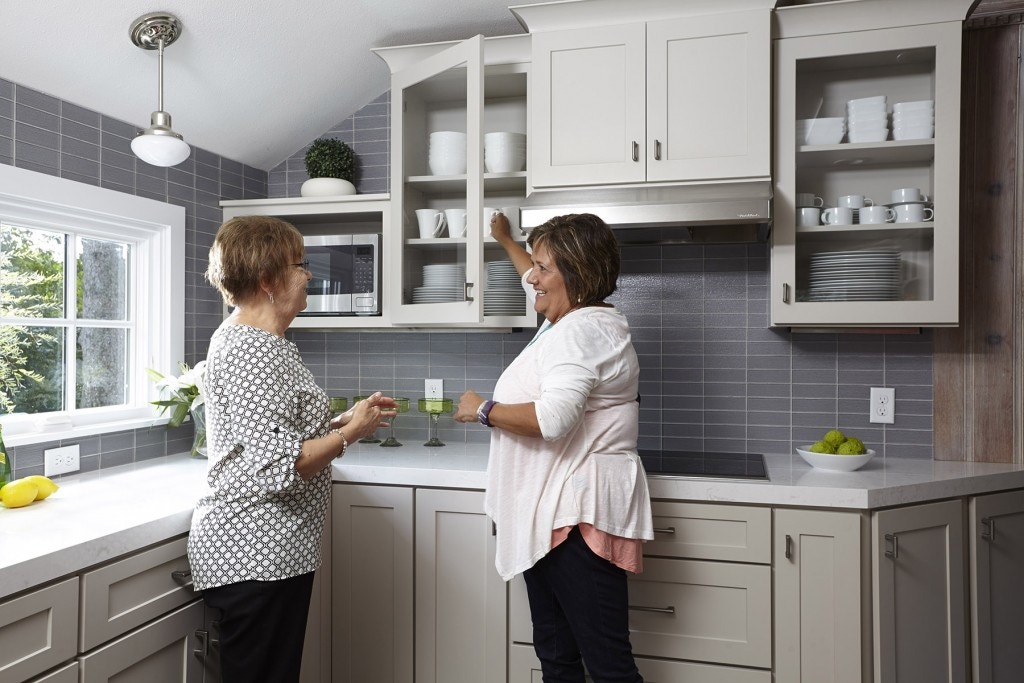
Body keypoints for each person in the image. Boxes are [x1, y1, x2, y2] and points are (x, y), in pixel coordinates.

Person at [187, 215, 394, 683]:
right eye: (299, 265)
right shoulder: (251, 350)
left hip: (275, 550)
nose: (310, 275)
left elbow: (281, 437)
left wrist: (347, 420)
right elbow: (283, 463)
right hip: (254, 551)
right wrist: (350, 433)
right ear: (266, 281)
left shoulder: (269, 343)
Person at [455, 212, 653, 683]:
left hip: (575, 520)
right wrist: (505, 239)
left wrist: (481, 408)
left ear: (577, 275)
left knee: (607, 667)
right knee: (557, 654)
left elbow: (552, 419)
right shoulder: (575, 317)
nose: (532, 277)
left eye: (543, 268)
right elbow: (540, 277)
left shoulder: (581, 332)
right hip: (556, 516)